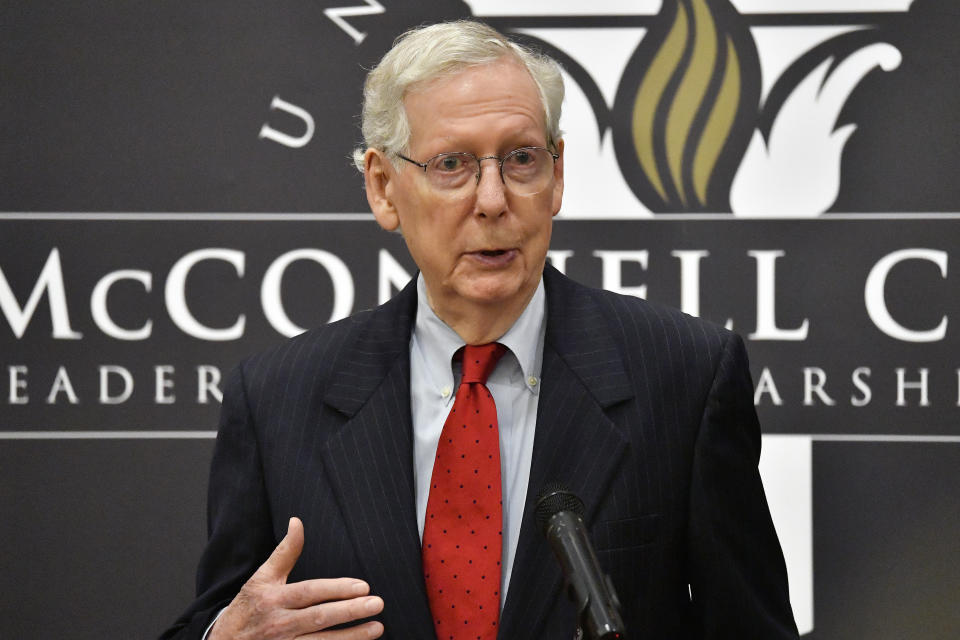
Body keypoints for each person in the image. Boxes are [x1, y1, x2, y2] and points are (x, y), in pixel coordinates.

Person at [162, 20, 798, 640]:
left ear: (557, 175)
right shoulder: (277, 399)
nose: (493, 199)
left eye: (521, 159)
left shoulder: (683, 377)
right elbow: (216, 615)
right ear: (383, 188)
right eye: (452, 164)